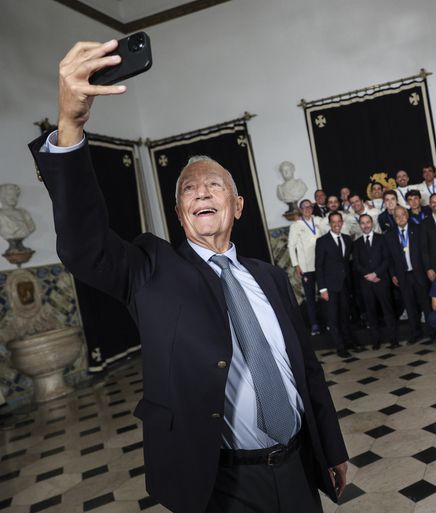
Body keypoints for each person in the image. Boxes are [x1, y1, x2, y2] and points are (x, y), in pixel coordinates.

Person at [35, 40, 347, 513]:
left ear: (237, 206)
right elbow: (85, 246)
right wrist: (71, 126)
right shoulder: (152, 272)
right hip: (222, 485)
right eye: (189, 189)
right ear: (181, 213)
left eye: (214, 184)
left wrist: (331, 448)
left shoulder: (269, 277)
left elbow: (307, 369)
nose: (201, 190)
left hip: (299, 465)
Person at [385, 206, 433, 344]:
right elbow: (389, 257)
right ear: (394, 219)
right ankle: (415, 333)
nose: (400, 218)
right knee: (410, 306)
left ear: (407, 215)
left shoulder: (418, 229)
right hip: (403, 275)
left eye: (402, 215)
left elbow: (425, 251)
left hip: (419, 273)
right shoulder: (389, 234)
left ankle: (432, 333)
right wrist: (393, 274)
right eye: (397, 216)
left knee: (426, 305)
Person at [316, 212, 360, 357]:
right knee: (333, 318)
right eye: (333, 222)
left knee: (345, 315)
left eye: (339, 221)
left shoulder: (347, 239)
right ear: (329, 223)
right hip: (330, 287)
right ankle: (340, 347)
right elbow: (319, 266)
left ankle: (349, 342)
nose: (336, 224)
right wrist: (322, 289)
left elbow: (346, 264)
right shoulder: (322, 241)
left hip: (345, 285)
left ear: (342, 223)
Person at [352, 214, 398, 349]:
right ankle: (376, 341)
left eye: (368, 222)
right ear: (359, 225)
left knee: (387, 310)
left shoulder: (382, 239)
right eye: (363, 223)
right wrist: (368, 275)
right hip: (366, 283)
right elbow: (356, 263)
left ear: (372, 223)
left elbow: (386, 259)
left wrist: (376, 273)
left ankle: (394, 339)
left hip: (381, 279)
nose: (365, 225)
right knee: (370, 312)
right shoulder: (357, 243)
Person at [288, 199, 327, 336]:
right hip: (306, 267)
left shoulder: (319, 220)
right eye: (304, 207)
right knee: (310, 298)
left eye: (309, 207)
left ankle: (327, 322)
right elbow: (291, 246)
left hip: (322, 265)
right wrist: (296, 265)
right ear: (300, 209)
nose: (307, 209)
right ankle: (314, 325)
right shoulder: (296, 225)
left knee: (325, 295)